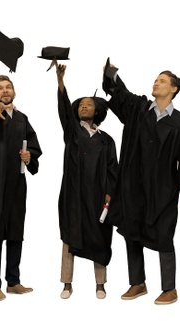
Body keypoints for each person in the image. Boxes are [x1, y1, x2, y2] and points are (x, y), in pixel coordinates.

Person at [102, 61, 180, 305]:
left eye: (163, 80)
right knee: (131, 230)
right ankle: (138, 283)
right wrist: (111, 75)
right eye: (156, 79)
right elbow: (121, 94)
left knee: (164, 234)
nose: (157, 82)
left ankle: (169, 289)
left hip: (162, 187)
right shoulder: (139, 110)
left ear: (174, 89)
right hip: (132, 184)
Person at [0, 75, 42, 301]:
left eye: (8, 87)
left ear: (14, 91)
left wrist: (29, 155)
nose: (5, 91)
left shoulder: (22, 118)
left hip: (16, 181)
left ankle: (13, 281)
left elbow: (33, 146)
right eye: (0, 88)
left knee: (15, 230)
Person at [55, 63, 119, 299]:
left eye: (89, 104)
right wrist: (61, 83)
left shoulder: (107, 141)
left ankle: (100, 284)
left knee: (100, 237)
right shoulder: (73, 133)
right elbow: (63, 111)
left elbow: (114, 169)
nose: (84, 105)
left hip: (98, 196)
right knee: (70, 236)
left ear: (97, 111)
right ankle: (66, 283)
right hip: (74, 194)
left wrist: (110, 195)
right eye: (80, 104)